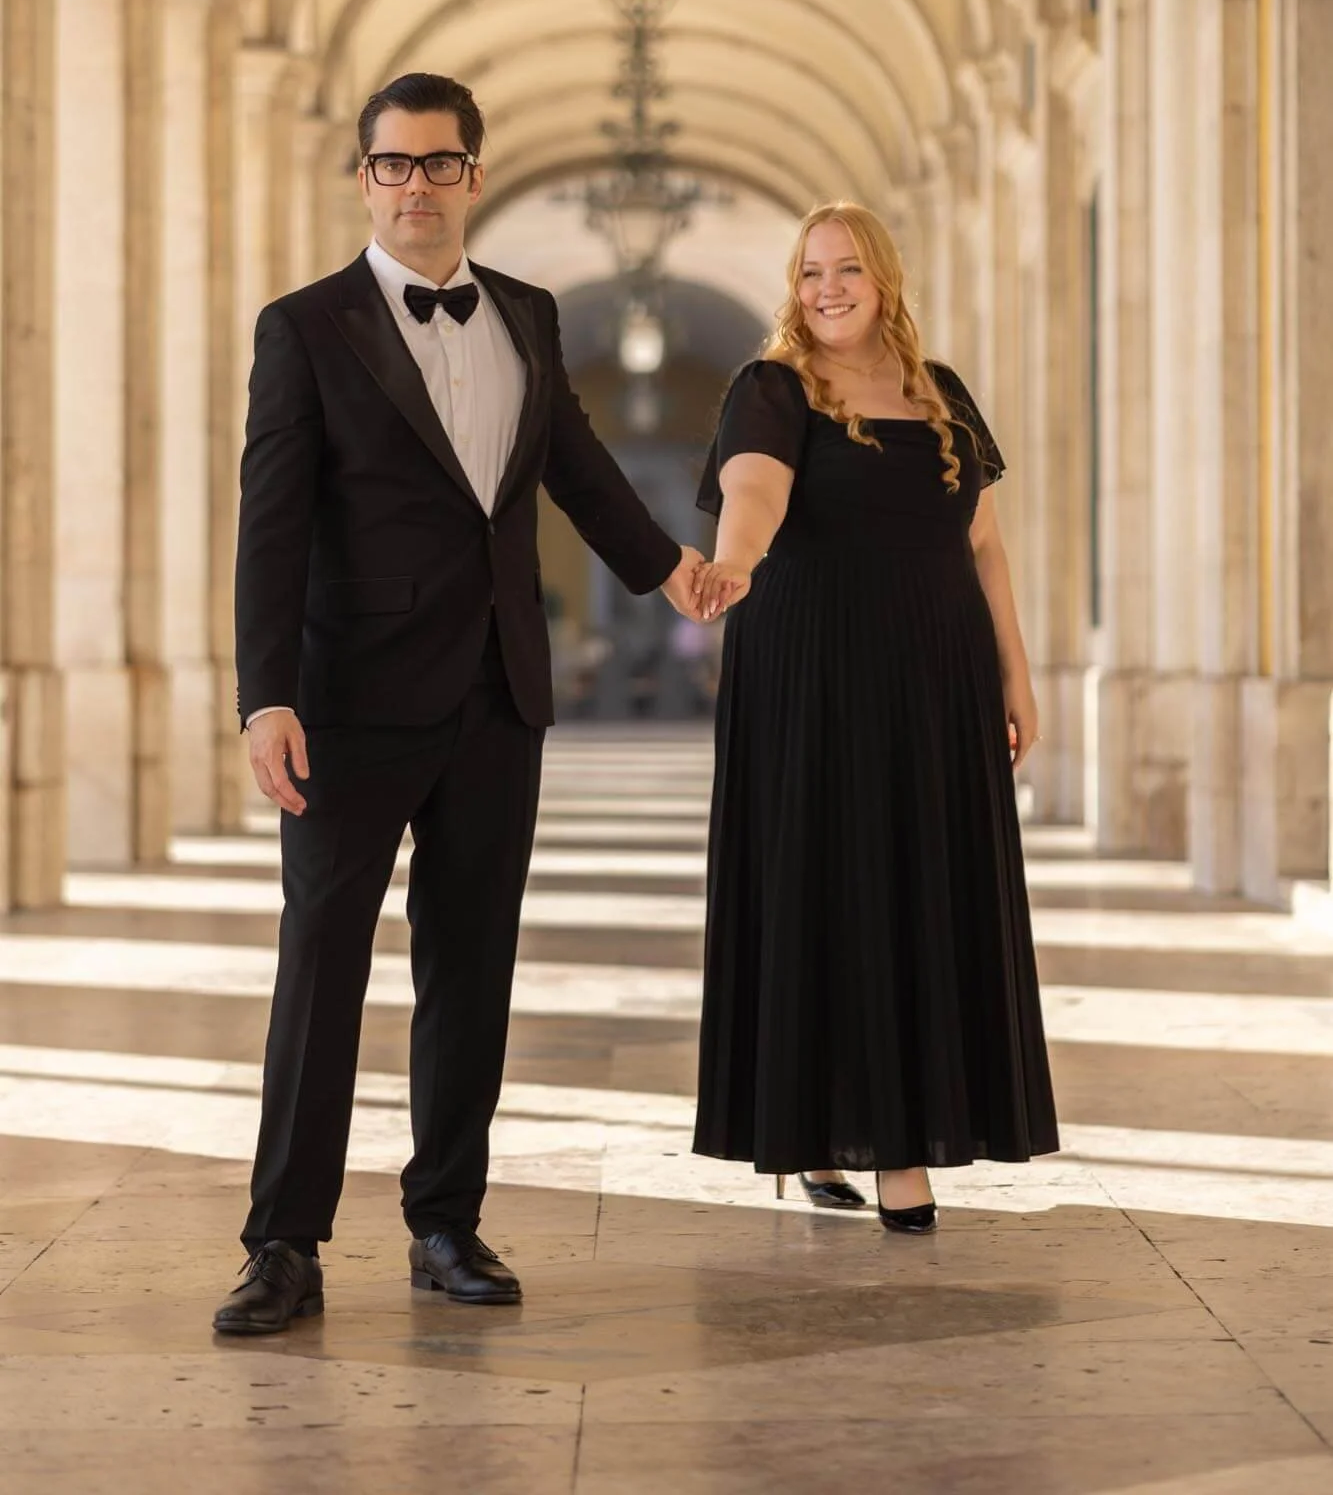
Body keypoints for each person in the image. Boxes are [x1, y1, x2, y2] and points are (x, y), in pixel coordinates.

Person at [213, 72, 704, 1335]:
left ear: (475, 175)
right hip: (347, 699)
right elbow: (268, 522)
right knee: (319, 968)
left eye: (440, 163)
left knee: (471, 966)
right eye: (395, 164)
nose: (417, 185)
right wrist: (263, 694)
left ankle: (445, 1220)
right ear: (364, 177)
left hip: (497, 691)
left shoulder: (531, 316)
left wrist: (677, 573)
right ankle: (283, 1241)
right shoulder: (305, 325)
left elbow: (582, 477)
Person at [690, 201, 1058, 1228]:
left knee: (919, 888)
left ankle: (904, 1133)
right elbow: (752, 486)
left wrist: (1014, 675)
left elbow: (981, 542)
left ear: (883, 276)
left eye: (847, 268)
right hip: (812, 668)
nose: (827, 289)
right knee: (822, 888)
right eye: (810, 273)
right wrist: (736, 559)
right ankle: (840, 1139)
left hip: (936, 671)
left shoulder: (941, 394)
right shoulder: (770, 386)